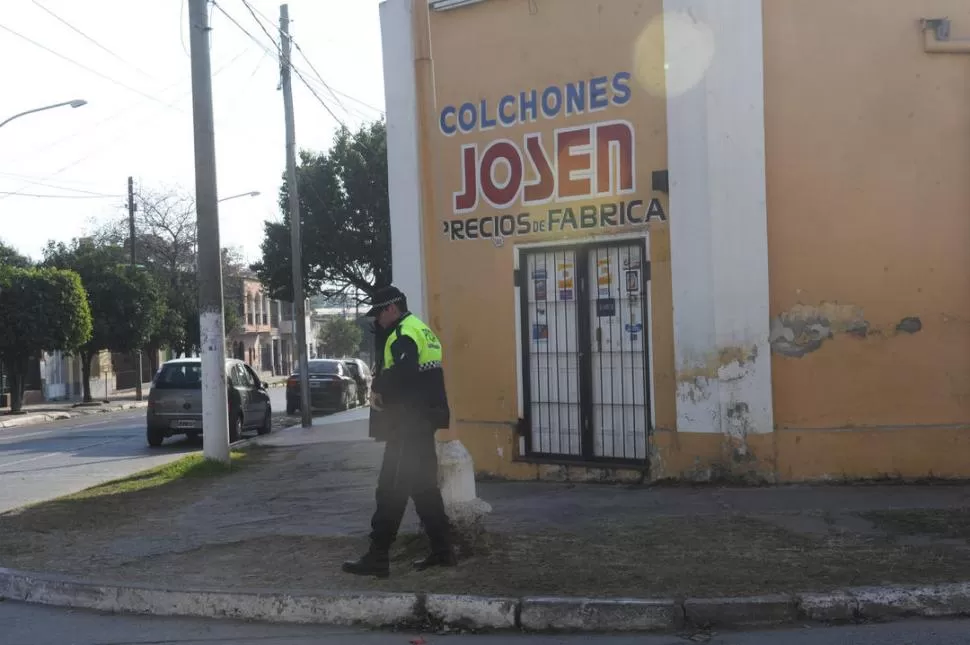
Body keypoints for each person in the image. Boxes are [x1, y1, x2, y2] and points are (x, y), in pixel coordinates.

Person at [342, 285, 456, 579]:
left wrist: (378, 387)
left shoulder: (404, 334)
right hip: (421, 421)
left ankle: (378, 556)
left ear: (391, 308)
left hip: (409, 423)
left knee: (390, 488)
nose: (377, 320)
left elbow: (403, 376)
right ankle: (444, 551)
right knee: (423, 487)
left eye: (379, 313)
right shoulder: (421, 329)